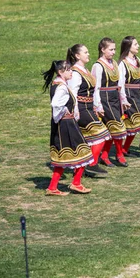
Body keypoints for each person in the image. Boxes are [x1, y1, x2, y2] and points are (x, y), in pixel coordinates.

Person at [42, 60, 93, 196]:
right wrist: (65, 113)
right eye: (68, 70)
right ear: (60, 72)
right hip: (65, 124)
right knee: (84, 151)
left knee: (62, 156)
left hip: (63, 124)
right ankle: (75, 183)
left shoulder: (58, 83)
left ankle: (53, 187)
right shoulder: (62, 87)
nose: (71, 72)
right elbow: (56, 104)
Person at [67, 44, 112, 179]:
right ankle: (91, 164)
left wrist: (98, 106)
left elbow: (95, 90)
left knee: (91, 138)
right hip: (81, 108)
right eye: (85, 52)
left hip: (89, 107)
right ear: (77, 55)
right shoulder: (75, 73)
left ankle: (85, 165)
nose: (88, 54)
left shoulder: (84, 70)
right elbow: (73, 94)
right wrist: (75, 111)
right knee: (101, 134)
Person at [92, 38, 131, 167]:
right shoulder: (98, 66)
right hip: (105, 98)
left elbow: (120, 84)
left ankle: (105, 155)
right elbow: (95, 87)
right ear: (102, 50)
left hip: (115, 98)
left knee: (111, 129)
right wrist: (98, 105)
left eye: (114, 49)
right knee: (118, 127)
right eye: (111, 49)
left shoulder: (114, 63)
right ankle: (119, 154)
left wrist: (123, 99)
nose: (114, 52)